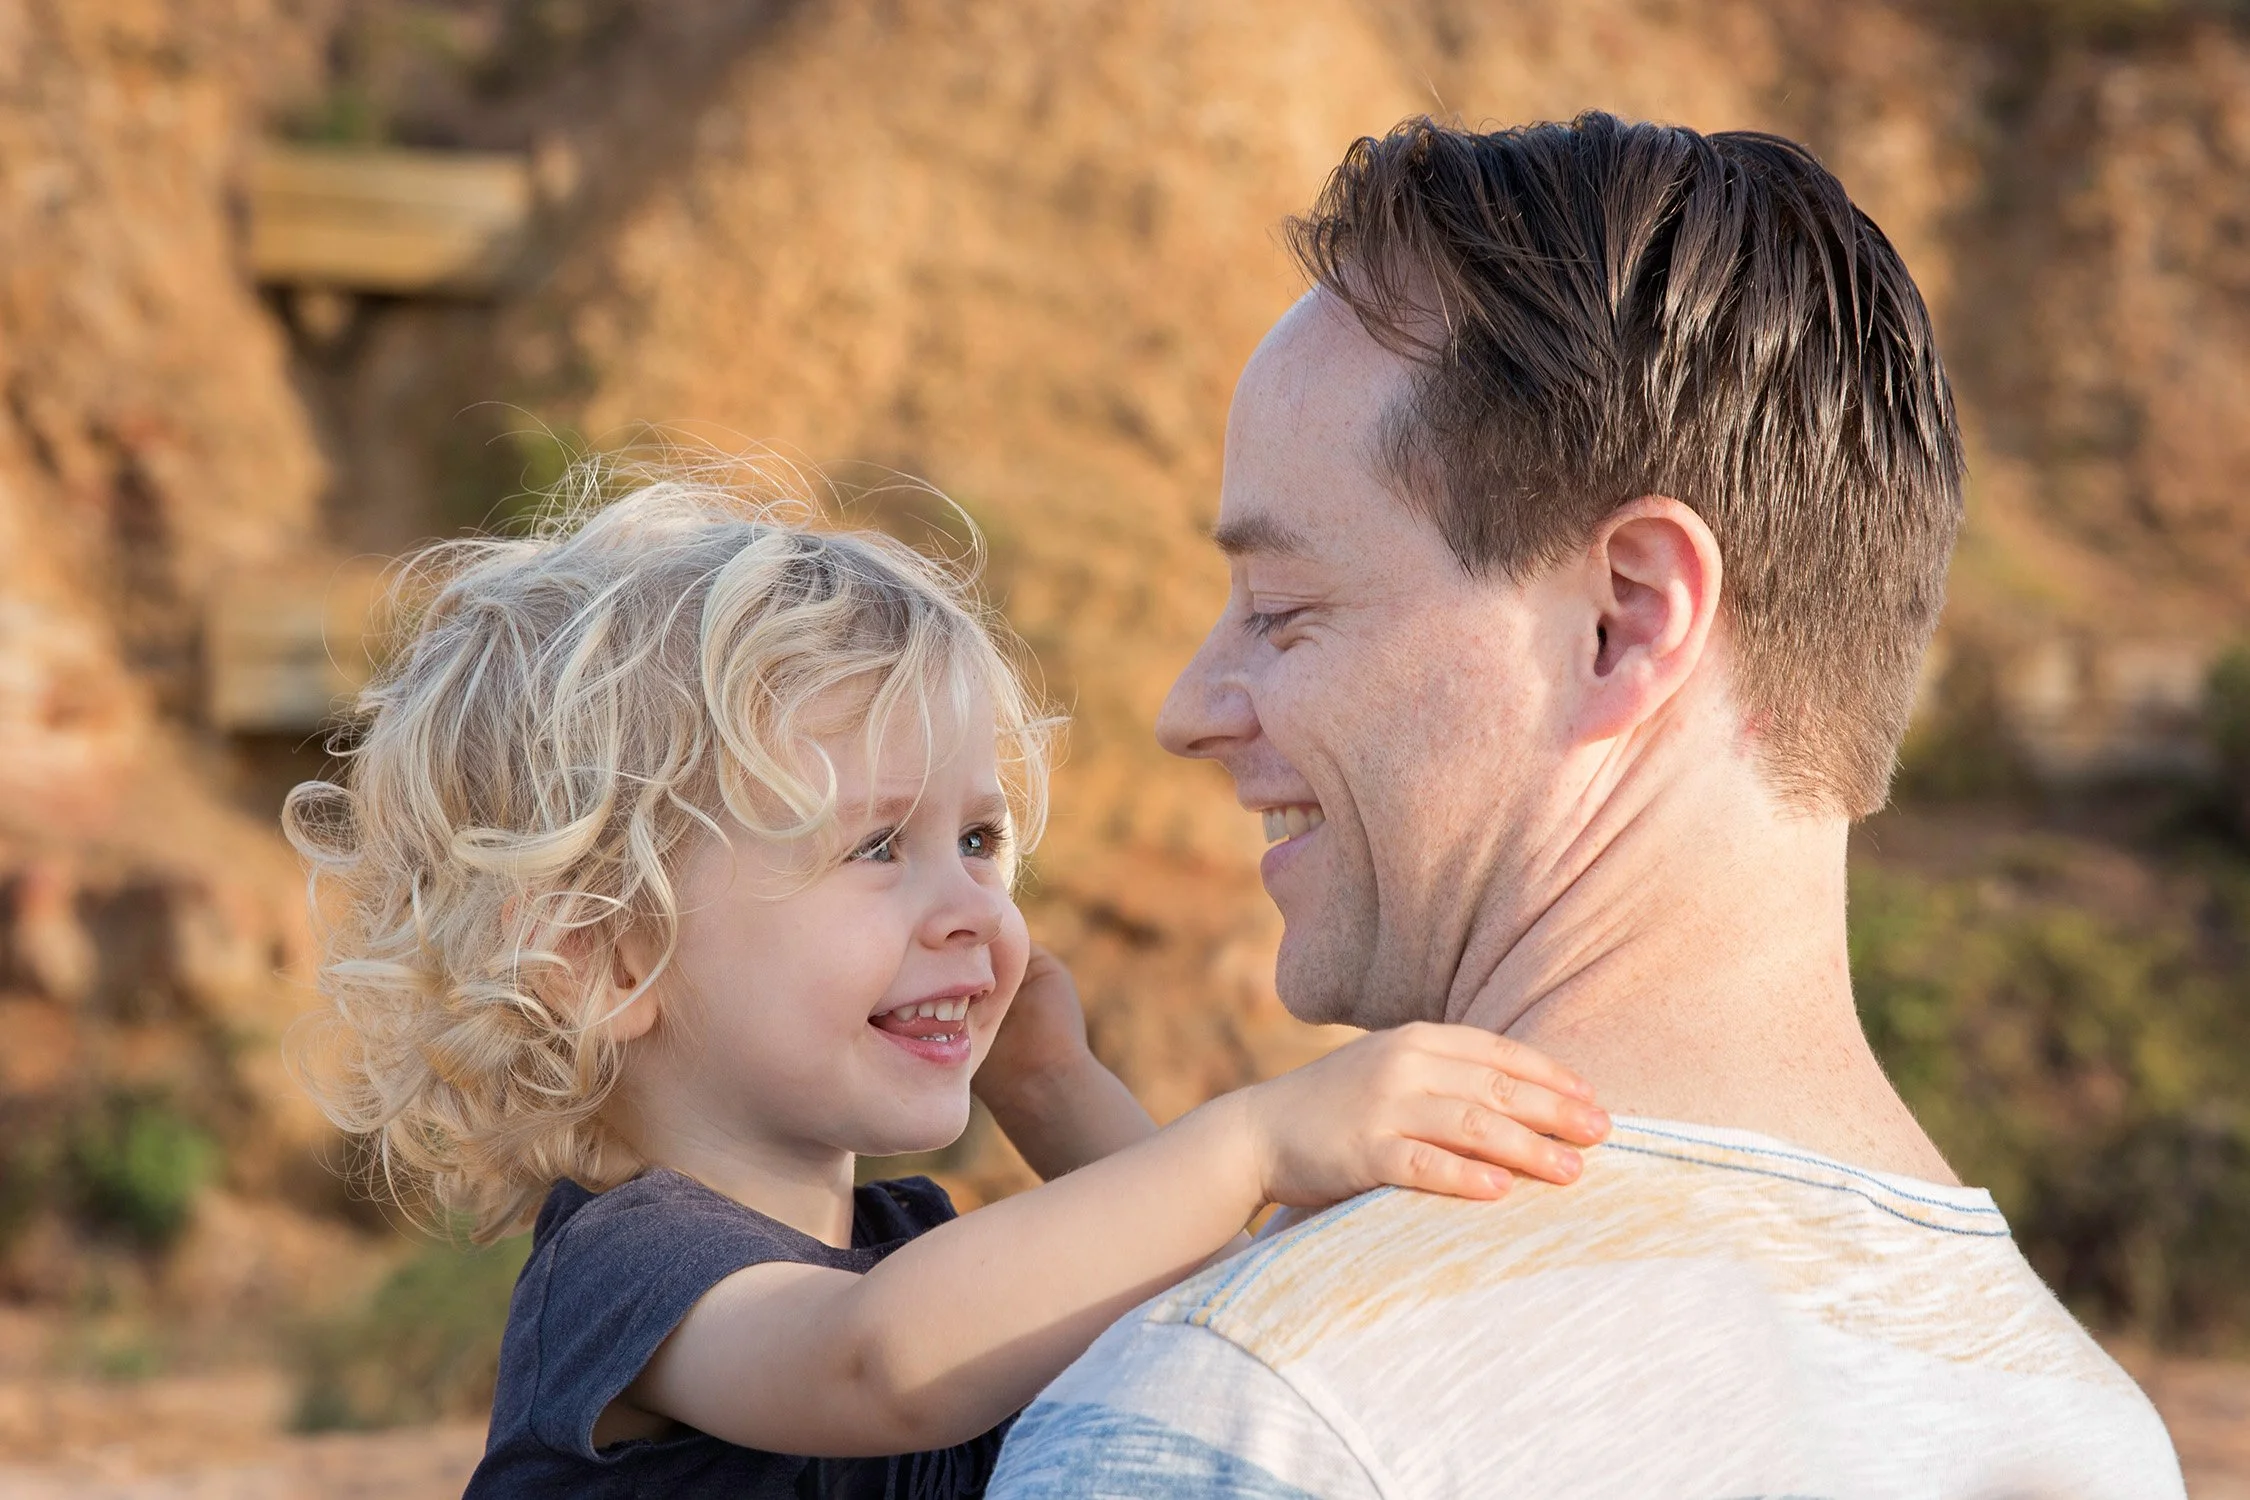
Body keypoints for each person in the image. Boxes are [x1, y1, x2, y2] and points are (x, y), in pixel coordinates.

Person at [987, 114, 2187, 1497]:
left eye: (1282, 608)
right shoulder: (2084, 1436)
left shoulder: (1258, 1406)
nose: (1187, 708)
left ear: (1621, 620)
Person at [281, 472, 1611, 1500]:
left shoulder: (918, 1249)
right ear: (610, 956)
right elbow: (880, 1366)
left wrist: (1053, 1089)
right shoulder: (629, 1275)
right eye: (878, 847)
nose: (973, 904)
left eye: (978, 842)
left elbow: (1201, 1320)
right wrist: (1252, 1137)